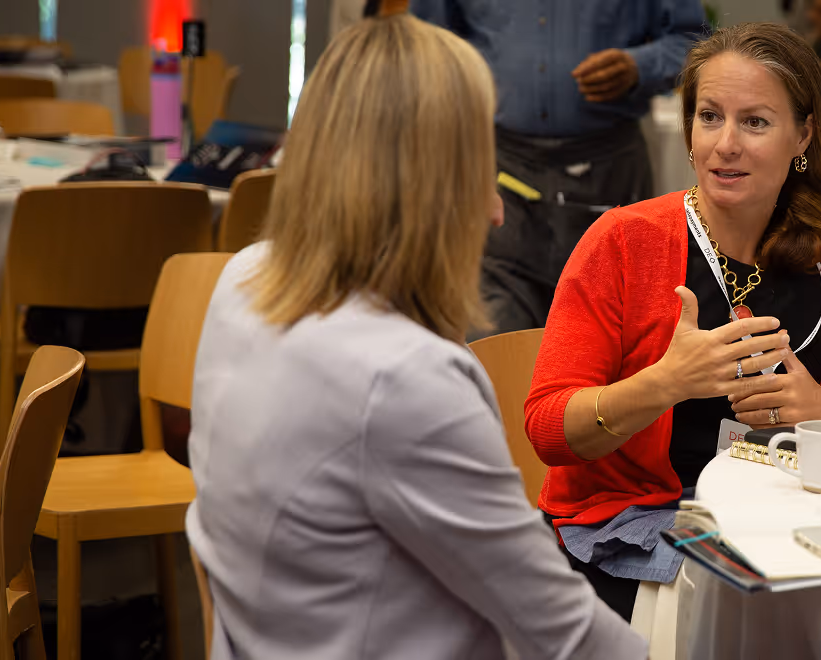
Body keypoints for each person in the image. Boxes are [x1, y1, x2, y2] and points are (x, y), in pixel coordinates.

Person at [185, 8, 645, 659]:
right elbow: (567, 635)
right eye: (480, 167)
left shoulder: (242, 281)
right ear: (429, 190)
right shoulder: (404, 379)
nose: (495, 210)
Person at [525, 22, 821, 619]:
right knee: (775, 613)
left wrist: (820, 407)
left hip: (782, 518)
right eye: (710, 116)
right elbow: (547, 428)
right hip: (636, 529)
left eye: (756, 122)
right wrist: (664, 383)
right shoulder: (624, 244)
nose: (726, 144)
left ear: (803, 136)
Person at [410, 0, 703, 339]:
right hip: (500, 168)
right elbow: (427, 44)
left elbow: (692, 44)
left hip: (608, 170)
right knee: (494, 342)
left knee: (604, 342)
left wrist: (640, 67)